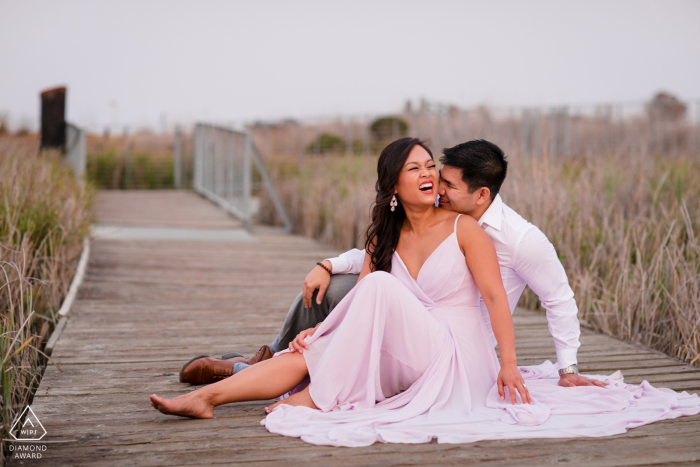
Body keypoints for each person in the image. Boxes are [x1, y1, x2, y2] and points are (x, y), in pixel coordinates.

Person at [151, 138, 700, 447]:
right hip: (406, 348)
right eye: (415, 168)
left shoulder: (469, 229)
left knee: (351, 318)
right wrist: (321, 325)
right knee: (322, 339)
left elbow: (494, 301)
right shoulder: (386, 235)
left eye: (431, 167)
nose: (429, 174)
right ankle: (211, 398)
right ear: (393, 187)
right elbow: (366, 291)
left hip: (459, 355)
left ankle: (259, 380)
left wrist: (511, 366)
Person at [180, 139, 596, 388]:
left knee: (344, 357)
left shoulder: (521, 241)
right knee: (337, 288)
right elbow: (390, 250)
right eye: (434, 172)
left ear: (482, 195)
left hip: (450, 340)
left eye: (447, 184)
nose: (437, 188)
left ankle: (246, 372)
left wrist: (568, 368)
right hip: (407, 307)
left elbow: (558, 299)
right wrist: (327, 263)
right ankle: (267, 357)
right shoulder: (439, 214)